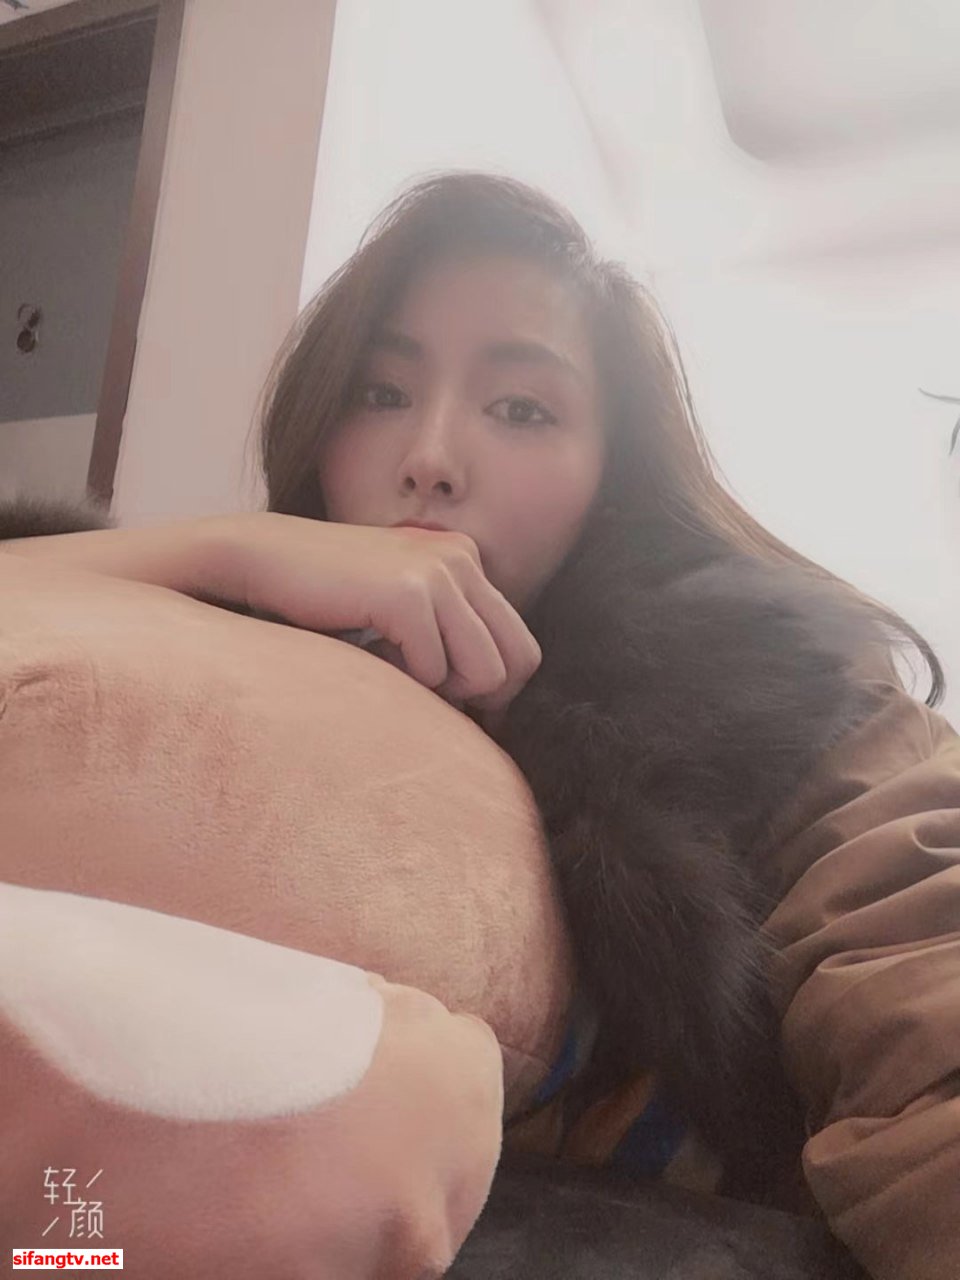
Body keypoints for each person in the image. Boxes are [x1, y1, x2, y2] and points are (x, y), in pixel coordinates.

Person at [3, 173, 958, 1280]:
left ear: (610, 477)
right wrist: (224, 549)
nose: (431, 456)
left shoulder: (788, 697)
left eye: (521, 410)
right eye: (379, 391)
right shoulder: (212, 675)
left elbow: (922, 989)